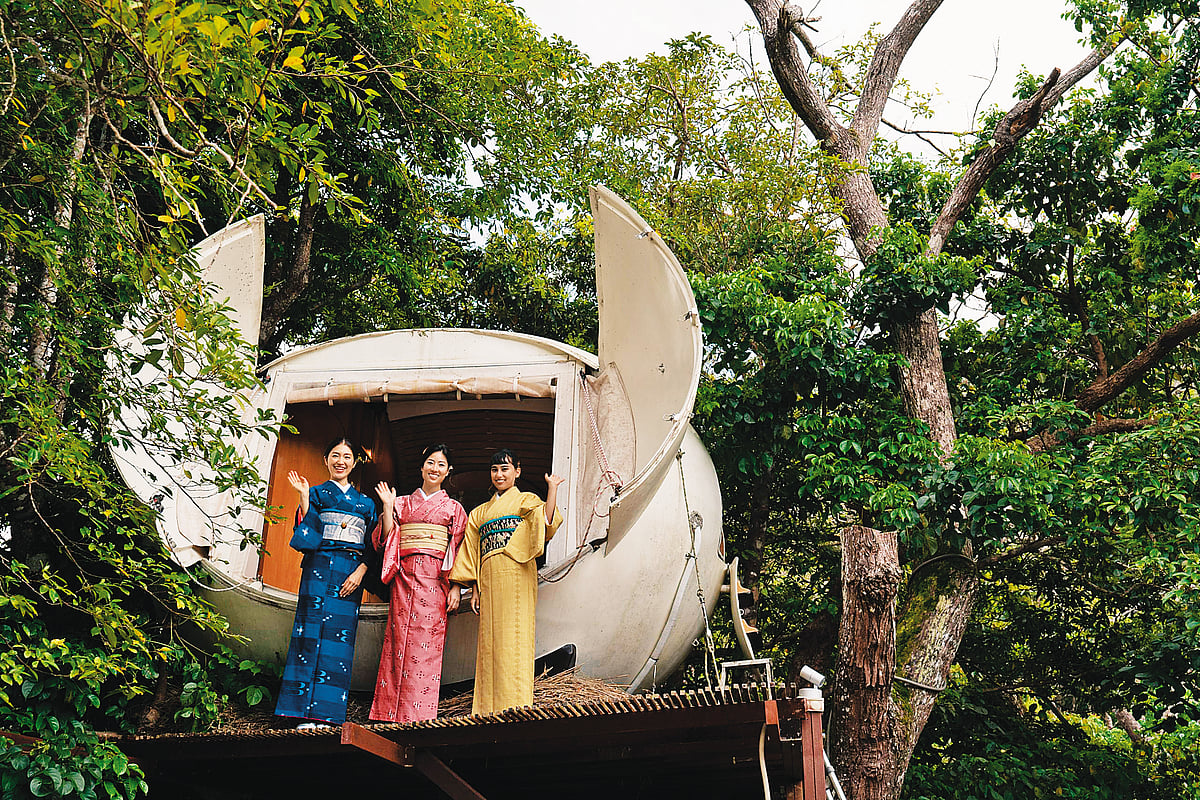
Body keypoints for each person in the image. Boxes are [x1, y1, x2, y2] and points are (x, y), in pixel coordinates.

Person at [449, 449, 564, 716]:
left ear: (517, 472)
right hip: (489, 581)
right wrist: (475, 589)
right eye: (495, 470)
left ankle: (516, 705)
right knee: (489, 643)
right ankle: (486, 709)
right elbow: (473, 552)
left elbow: (546, 522)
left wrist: (552, 489)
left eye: (505, 469)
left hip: (517, 577)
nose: (499, 475)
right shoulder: (479, 513)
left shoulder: (526, 500)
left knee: (516, 638)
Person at [274, 437, 377, 727]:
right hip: (317, 568)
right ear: (326, 460)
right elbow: (306, 535)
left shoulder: (366, 503)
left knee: (338, 642)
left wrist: (360, 572)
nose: (340, 461)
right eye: (335, 455)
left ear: (354, 463)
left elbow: (372, 544)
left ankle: (327, 714)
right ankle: (299, 712)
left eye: (346, 456)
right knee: (307, 634)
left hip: (349, 572)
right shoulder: (316, 493)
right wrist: (303, 498)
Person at [369, 444, 468, 723]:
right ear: (421, 467)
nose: (434, 469)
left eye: (441, 464)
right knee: (396, 644)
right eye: (430, 463)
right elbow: (384, 539)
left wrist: (457, 586)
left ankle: (418, 716)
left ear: (448, 471)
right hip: (403, 580)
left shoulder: (454, 508)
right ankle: (388, 713)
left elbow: (460, 549)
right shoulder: (401, 503)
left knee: (427, 646)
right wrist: (387, 507)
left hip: (436, 582)